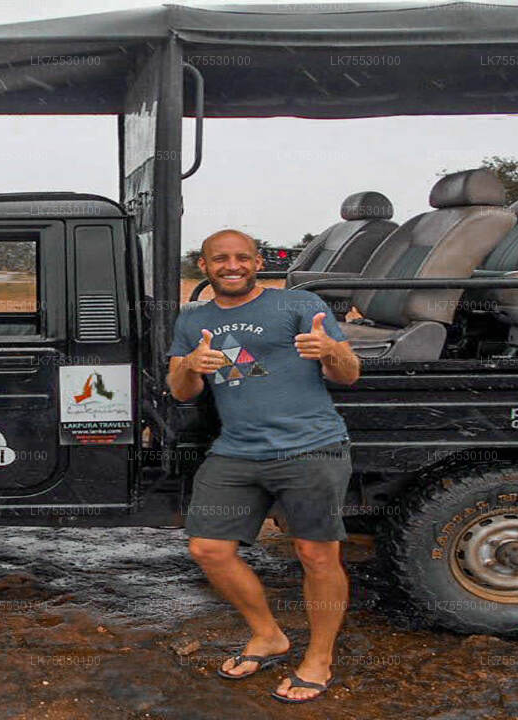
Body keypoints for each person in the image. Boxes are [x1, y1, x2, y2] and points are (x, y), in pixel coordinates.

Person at [167, 229, 360, 704]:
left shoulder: (297, 305)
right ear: (204, 266)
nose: (231, 266)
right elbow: (180, 390)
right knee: (208, 548)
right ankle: (268, 635)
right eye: (219, 259)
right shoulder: (194, 318)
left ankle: (319, 659)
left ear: (257, 262)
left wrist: (331, 351)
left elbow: (349, 374)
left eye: (241, 258)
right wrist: (191, 363)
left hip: (311, 447)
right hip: (237, 449)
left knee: (317, 556)